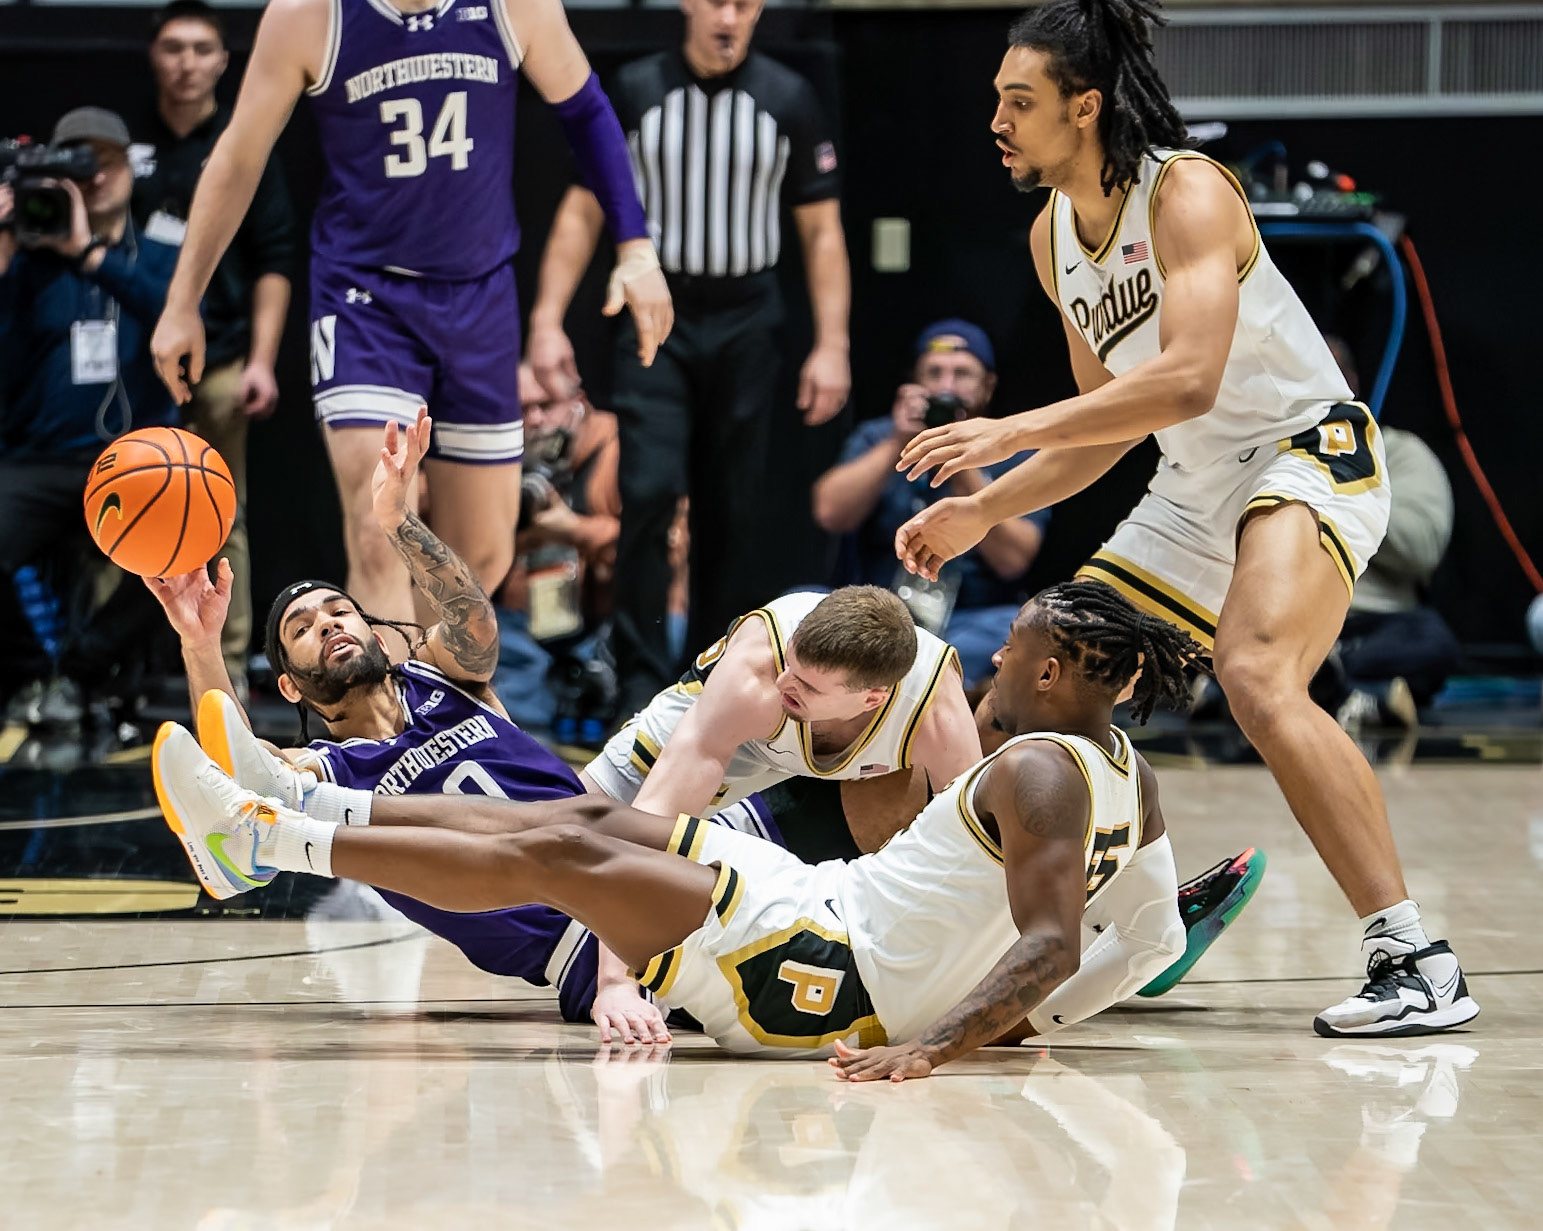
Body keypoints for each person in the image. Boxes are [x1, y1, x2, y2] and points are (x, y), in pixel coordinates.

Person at [890, 0, 1475, 1036]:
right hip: (1194, 482)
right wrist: (983, 505)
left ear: (1083, 106)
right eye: (993, 98)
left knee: (1254, 674)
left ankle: (1414, 957)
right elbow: (1099, 432)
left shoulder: (1188, 192)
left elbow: (1188, 379)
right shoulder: (1050, 237)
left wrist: (998, 429)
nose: (996, 119)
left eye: (1018, 101)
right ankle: (1113, 918)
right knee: (1029, 676)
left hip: (1304, 449)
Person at [151, 579, 1207, 1076]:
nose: (995, 663)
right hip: (827, 907)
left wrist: (937, 1044)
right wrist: (1037, 1021)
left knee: (550, 851)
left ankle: (270, 839)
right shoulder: (1130, 776)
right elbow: (1149, 941)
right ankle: (297, 806)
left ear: (1057, 674)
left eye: (1014, 651)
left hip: (830, 967)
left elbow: (1050, 943)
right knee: (578, 815)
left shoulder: (1032, 770)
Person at [147, 0, 671, 642]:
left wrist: (637, 249)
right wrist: (182, 301)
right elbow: (238, 156)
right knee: (380, 529)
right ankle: (388, 734)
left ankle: (433, 714)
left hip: (479, 300)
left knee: (477, 560)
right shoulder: (310, 15)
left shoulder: (512, 6)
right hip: (366, 299)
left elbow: (585, 109)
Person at [527, 0, 852, 715]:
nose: (726, 18)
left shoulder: (787, 98)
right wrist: (547, 320)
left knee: (732, 505)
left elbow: (822, 232)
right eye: (713, 1)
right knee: (647, 489)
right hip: (656, 315)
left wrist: (831, 344)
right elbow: (583, 210)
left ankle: (715, 680)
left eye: (742, 4)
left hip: (748, 320)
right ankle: (641, 685)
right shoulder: (638, 89)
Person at [134, 0, 299, 691]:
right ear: (154, 56)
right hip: (135, 371)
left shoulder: (240, 146)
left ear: (225, 61)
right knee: (128, 507)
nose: (188, 63)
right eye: (174, 47)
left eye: (203, 49)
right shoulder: (127, 151)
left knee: (216, 515)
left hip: (223, 358)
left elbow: (275, 257)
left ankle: (221, 663)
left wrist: (262, 359)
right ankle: (133, 664)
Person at [0, 106, 180, 707]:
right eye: (80, 167)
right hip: (39, 457)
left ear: (130, 168)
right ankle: (32, 668)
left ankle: (82, 668)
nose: (96, 178)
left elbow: (184, 319)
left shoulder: (156, 247)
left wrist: (90, 253)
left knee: (190, 543)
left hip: (132, 459)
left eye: (106, 163)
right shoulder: (23, 258)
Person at [812, 319, 1050, 685]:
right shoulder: (880, 436)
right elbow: (830, 513)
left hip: (970, 618)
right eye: (934, 372)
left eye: (962, 374)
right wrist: (897, 442)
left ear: (988, 386)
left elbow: (1014, 559)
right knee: (797, 603)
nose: (946, 386)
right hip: (874, 612)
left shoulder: (1015, 449)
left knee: (1026, 631)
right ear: (914, 382)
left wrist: (961, 461)